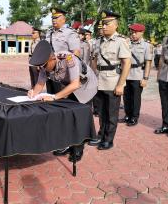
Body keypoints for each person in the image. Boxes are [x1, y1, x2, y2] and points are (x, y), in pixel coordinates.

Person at [28, 40, 97, 162]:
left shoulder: (68, 59)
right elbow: (40, 83)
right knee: (68, 116)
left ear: (53, 58)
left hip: (85, 86)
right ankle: (67, 145)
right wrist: (33, 93)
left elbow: (75, 84)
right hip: (70, 86)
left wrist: (54, 97)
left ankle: (78, 149)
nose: (41, 69)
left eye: (43, 66)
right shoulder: (45, 65)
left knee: (79, 118)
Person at [89, 10, 131, 150]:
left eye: (107, 24)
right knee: (101, 112)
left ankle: (108, 139)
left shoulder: (121, 41)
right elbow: (94, 60)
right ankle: (101, 134)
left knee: (111, 114)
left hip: (113, 81)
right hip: (100, 81)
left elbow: (126, 63)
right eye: (103, 24)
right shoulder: (98, 41)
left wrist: (121, 85)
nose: (104, 26)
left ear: (115, 25)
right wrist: (92, 76)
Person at [121, 24, 153, 126]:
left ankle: (134, 117)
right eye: (132, 32)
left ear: (141, 32)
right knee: (126, 96)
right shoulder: (127, 43)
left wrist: (145, 78)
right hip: (126, 73)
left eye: (135, 32)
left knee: (135, 97)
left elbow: (148, 63)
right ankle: (127, 115)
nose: (133, 34)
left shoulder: (147, 46)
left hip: (138, 74)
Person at [45, 7, 81, 94]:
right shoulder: (49, 33)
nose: (54, 20)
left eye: (56, 18)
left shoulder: (70, 33)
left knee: (62, 101)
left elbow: (75, 54)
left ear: (64, 19)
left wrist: (71, 74)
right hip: (50, 73)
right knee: (51, 99)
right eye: (53, 18)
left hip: (64, 75)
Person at [154, 11, 168, 138]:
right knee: (165, 101)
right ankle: (166, 124)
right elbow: (162, 57)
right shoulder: (166, 39)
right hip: (164, 73)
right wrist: (158, 74)